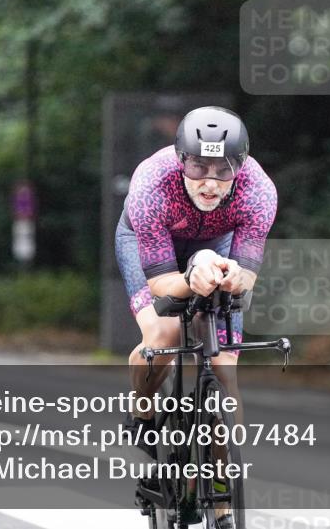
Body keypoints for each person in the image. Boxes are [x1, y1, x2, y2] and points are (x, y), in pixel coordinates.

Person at [115, 106, 277, 528]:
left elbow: (245, 277)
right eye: (197, 166)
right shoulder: (151, 184)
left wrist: (226, 277)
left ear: (240, 168)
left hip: (218, 243)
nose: (208, 181)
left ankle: (221, 503)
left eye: (222, 170)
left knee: (224, 367)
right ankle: (143, 413)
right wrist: (193, 277)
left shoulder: (258, 192)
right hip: (150, 243)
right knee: (164, 334)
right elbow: (164, 284)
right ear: (179, 158)